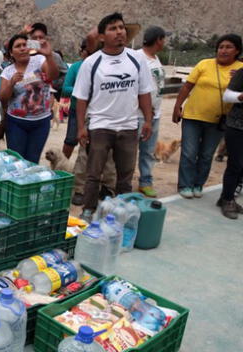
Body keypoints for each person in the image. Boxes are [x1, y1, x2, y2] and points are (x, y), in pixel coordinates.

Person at [73, 12, 154, 220]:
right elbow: (81, 99)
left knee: (125, 176)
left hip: (128, 126)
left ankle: (121, 212)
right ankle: (88, 211)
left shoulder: (137, 59)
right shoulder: (91, 63)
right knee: (94, 174)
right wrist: (81, 127)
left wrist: (147, 120)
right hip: (100, 125)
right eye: (112, 29)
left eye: (121, 27)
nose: (119, 32)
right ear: (101, 36)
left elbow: (144, 92)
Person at [173, 34, 243, 199]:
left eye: (228, 47)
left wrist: (238, 79)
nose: (223, 50)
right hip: (193, 116)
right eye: (221, 47)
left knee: (206, 155)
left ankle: (198, 184)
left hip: (218, 121)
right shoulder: (204, 64)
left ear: (237, 50)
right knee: (189, 153)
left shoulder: (240, 69)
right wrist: (177, 107)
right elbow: (187, 86)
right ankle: (185, 185)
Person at [63, 39, 117, 205]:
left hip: (109, 113)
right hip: (87, 112)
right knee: (84, 152)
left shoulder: (113, 66)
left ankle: (107, 187)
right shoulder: (80, 67)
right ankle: (79, 188)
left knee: (109, 153)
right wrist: (86, 91)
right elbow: (67, 88)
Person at [0, 33, 59, 163]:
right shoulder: (8, 72)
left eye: (25, 45)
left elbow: (53, 75)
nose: (22, 48)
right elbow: (3, 98)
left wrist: (49, 55)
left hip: (41, 123)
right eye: (17, 46)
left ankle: (30, 183)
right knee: (16, 161)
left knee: (32, 161)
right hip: (16, 123)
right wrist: (11, 83)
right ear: (11, 52)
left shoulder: (39, 60)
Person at [136, 26, 169, 198]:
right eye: (163, 39)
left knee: (148, 151)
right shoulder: (136, 57)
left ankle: (146, 182)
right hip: (138, 116)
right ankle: (122, 182)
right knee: (128, 152)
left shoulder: (156, 59)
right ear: (158, 40)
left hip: (154, 115)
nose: (164, 42)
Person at [219, 68, 243, 218]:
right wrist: (241, 96)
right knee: (235, 165)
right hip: (237, 126)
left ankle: (226, 197)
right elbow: (227, 96)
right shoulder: (242, 73)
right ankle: (227, 199)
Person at [24, 23, 69, 99]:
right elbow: (9, 48)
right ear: (30, 40)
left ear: (46, 39)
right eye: (34, 38)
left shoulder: (54, 56)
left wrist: (50, 84)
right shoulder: (25, 56)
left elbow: (65, 76)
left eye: (41, 37)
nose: (38, 40)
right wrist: (22, 33)